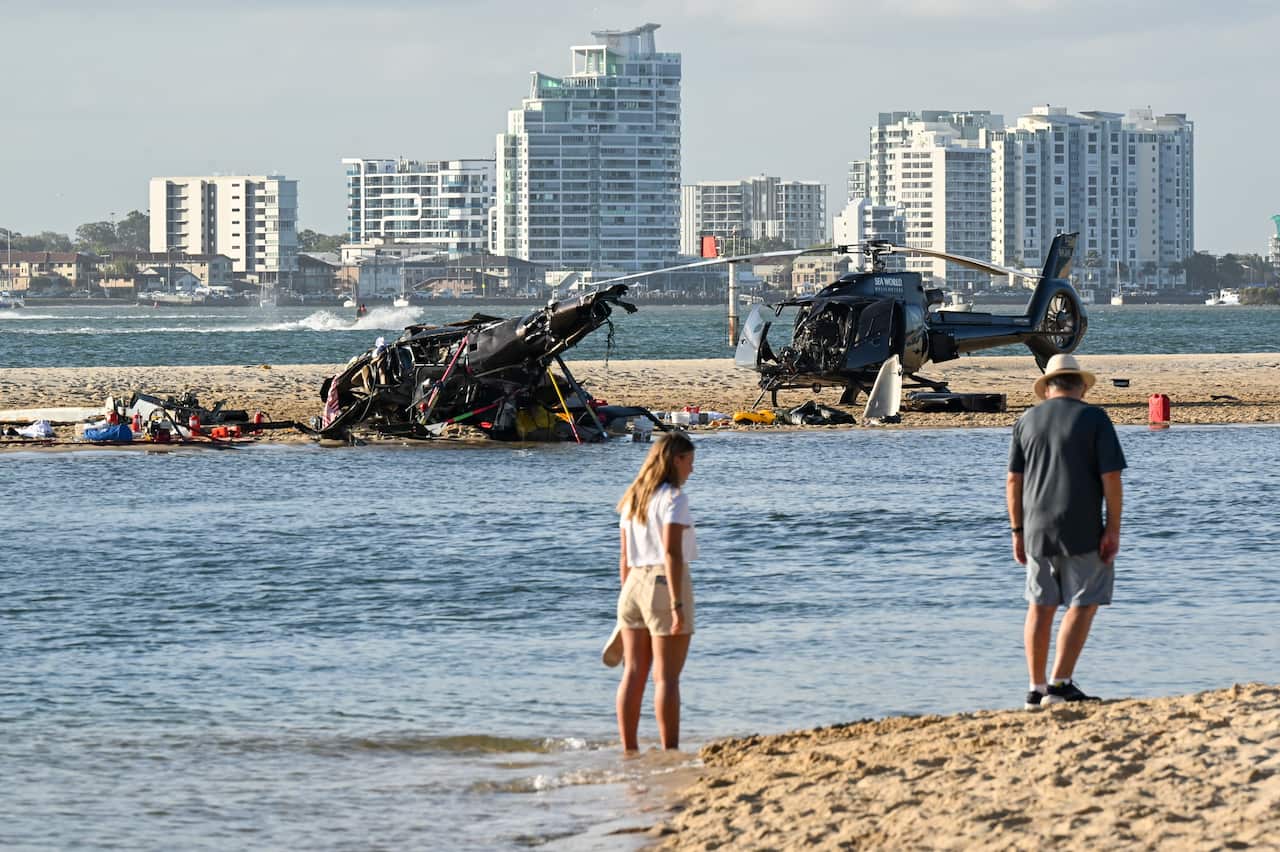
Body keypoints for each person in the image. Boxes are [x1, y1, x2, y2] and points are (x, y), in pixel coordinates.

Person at [1008, 353, 1126, 710]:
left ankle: (1035, 688)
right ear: (1081, 387)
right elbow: (1111, 478)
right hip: (1082, 524)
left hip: (1036, 528)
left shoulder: (1026, 420)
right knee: (1084, 600)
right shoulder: (1094, 418)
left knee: (1039, 606)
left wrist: (1017, 530)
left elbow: (1014, 480)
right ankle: (1060, 683)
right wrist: (1113, 528)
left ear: (1047, 389)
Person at [613, 431, 697, 751]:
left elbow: (623, 556)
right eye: (689, 461)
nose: (691, 469)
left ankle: (629, 750)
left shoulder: (633, 497)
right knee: (666, 678)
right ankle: (670, 751)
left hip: (633, 584)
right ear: (676, 460)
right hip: (663, 583)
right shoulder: (674, 498)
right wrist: (677, 603)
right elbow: (672, 553)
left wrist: (626, 596)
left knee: (633, 673)